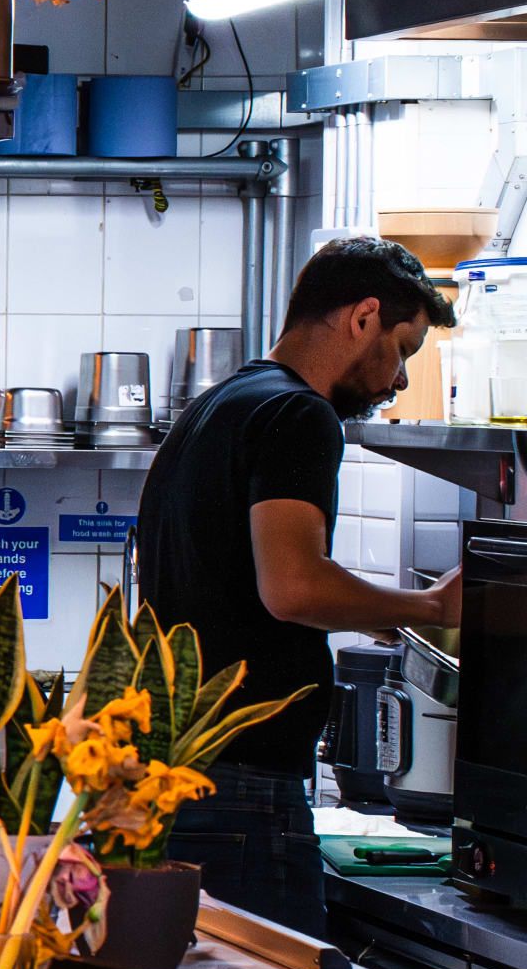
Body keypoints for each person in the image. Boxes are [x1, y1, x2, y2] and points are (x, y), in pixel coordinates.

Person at [138, 235, 458, 927]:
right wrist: (428, 605)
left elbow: (241, 582)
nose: (399, 380)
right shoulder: (299, 416)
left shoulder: (221, 404)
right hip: (242, 791)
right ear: (364, 316)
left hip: (178, 781)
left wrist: (372, 611)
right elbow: (293, 587)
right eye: (402, 350)